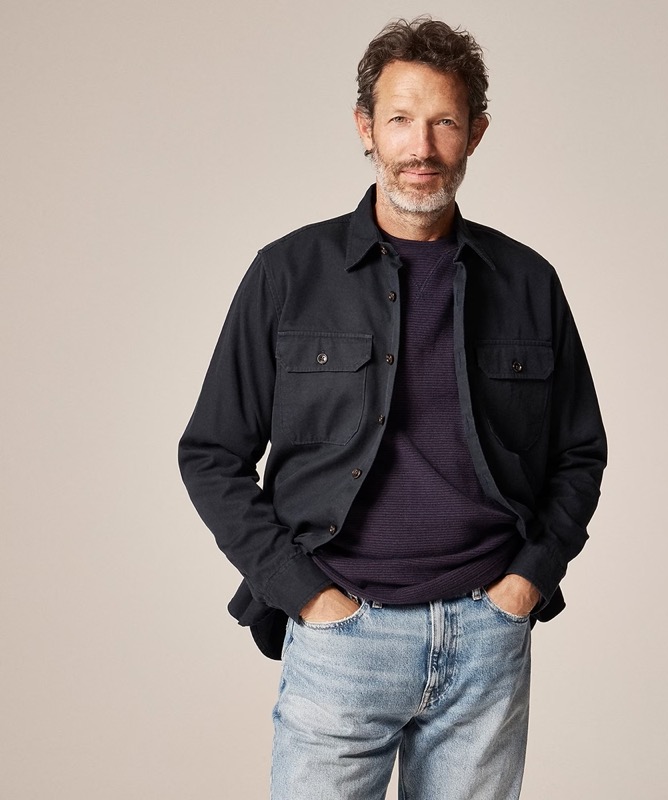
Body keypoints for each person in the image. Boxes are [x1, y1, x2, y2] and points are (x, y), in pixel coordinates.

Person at [179, 16, 606, 800]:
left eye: (445, 121)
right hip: (342, 638)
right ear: (365, 128)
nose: (422, 147)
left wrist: (526, 584)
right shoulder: (287, 274)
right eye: (401, 119)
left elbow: (580, 453)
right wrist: (305, 594)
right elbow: (210, 453)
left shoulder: (527, 282)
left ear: (476, 133)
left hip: (486, 638)